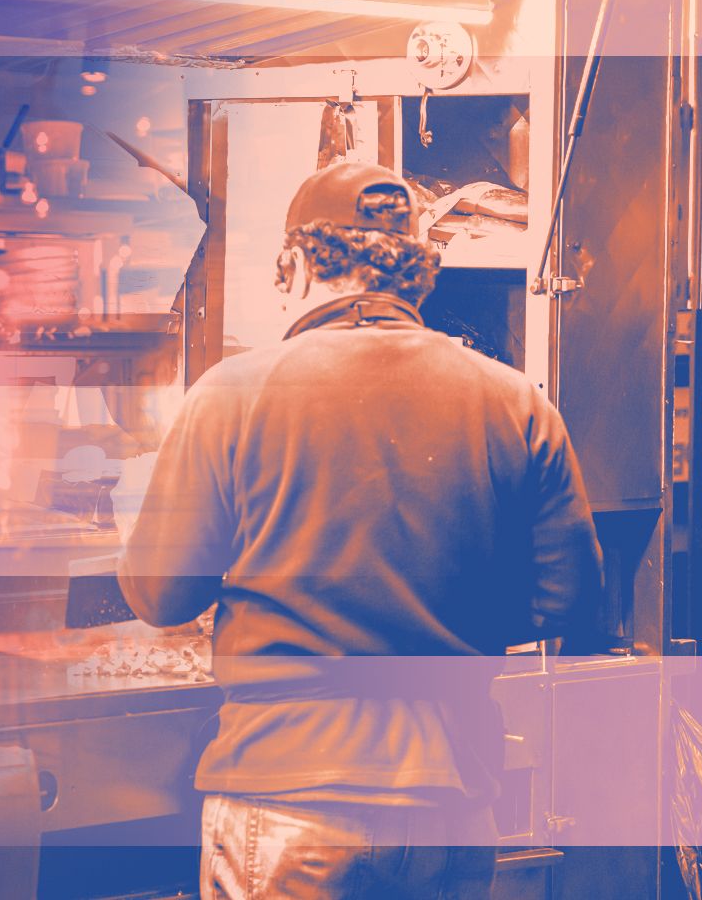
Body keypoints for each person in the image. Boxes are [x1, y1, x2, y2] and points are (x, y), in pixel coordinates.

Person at [117, 162, 601, 900]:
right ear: (419, 275)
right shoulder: (515, 402)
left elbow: (160, 593)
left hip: (285, 795)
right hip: (450, 801)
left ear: (296, 264)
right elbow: (570, 601)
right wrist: (439, 612)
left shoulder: (231, 395)